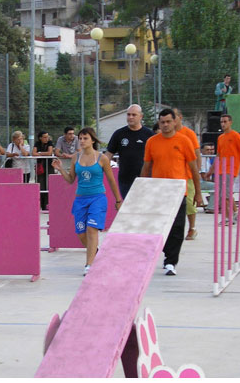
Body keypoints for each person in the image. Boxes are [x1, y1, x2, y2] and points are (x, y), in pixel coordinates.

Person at [141, 109, 203, 276]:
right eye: (162, 122)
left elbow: (193, 169)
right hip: (158, 190)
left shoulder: (184, 141)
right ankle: (165, 252)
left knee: (177, 227)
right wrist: (143, 190)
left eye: (168, 121)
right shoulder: (152, 142)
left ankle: (170, 261)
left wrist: (198, 193)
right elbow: (146, 167)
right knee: (158, 226)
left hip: (178, 191)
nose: (165, 125)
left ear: (175, 122)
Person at [52, 127, 122, 276]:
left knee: (92, 229)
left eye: (85, 138)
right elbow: (71, 179)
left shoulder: (102, 158)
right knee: (81, 233)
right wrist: (60, 169)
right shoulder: (75, 157)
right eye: (80, 138)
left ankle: (89, 265)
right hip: (80, 200)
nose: (82, 141)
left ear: (92, 140)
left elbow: (111, 181)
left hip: (98, 198)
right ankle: (96, 254)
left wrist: (118, 200)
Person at [105, 104, 154, 199]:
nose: (130, 117)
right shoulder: (119, 134)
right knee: (129, 205)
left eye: (134, 115)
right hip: (125, 179)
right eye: (128, 114)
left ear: (141, 116)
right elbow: (108, 154)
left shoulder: (149, 135)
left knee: (143, 205)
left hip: (144, 179)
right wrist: (98, 168)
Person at [205, 114, 240, 224]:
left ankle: (229, 217)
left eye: (225, 121)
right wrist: (210, 171)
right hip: (221, 169)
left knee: (225, 195)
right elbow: (218, 155)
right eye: (221, 122)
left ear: (230, 122)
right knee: (223, 194)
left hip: (231, 168)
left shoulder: (236, 136)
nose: (223, 124)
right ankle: (234, 213)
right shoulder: (220, 138)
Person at [173, 107, 201, 241]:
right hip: (173, 176)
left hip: (188, 175)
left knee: (189, 203)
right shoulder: (168, 134)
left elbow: (197, 154)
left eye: (174, 116)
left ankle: (192, 227)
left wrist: (197, 172)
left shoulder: (189, 134)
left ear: (180, 117)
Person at [32, 131, 54, 211]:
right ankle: (42, 205)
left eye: (47, 137)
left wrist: (40, 153)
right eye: (44, 137)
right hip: (40, 167)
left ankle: (48, 204)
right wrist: (43, 153)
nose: (46, 139)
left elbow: (49, 153)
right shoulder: (37, 143)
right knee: (41, 185)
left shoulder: (50, 143)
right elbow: (34, 153)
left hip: (49, 166)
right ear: (40, 138)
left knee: (49, 185)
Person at [200, 143, 216, 214]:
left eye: (211, 150)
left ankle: (211, 202)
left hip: (203, 181)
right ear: (202, 150)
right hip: (199, 182)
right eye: (207, 150)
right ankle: (211, 208)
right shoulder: (202, 158)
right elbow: (203, 176)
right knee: (216, 186)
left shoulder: (207, 158)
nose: (210, 151)